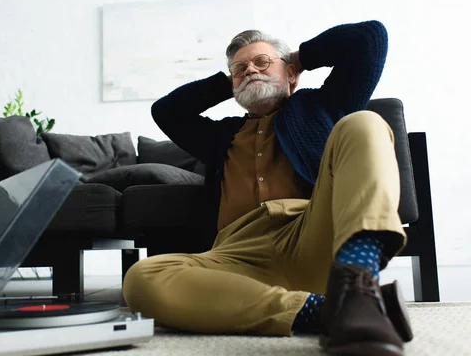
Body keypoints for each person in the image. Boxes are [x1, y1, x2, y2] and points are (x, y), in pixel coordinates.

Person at [123, 20, 411, 356]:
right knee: (142, 277)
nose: (250, 71)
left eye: (262, 62)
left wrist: (298, 58)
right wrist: (231, 80)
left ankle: (357, 282)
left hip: (310, 235)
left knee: (364, 122)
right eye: (240, 68)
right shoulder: (221, 136)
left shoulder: (321, 107)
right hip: (237, 255)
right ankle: (328, 309)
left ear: (290, 75)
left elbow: (368, 39)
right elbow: (167, 111)